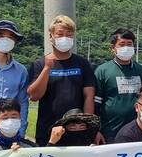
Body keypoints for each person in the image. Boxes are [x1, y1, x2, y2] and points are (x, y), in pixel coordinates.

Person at [27, 15, 96, 146]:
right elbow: (34, 96)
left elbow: (89, 96)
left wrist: (89, 127)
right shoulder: (39, 64)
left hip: (77, 130)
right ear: (51, 36)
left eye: (69, 34)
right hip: (48, 129)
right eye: (60, 34)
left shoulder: (82, 63)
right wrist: (47, 69)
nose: (65, 38)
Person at [94, 27, 142, 142]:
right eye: (122, 44)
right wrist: (95, 130)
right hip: (111, 132)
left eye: (129, 44)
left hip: (140, 132)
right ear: (113, 48)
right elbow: (95, 104)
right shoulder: (102, 71)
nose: (126, 47)